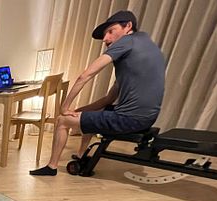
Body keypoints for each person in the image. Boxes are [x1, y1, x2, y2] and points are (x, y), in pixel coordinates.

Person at [29, 10, 165, 176]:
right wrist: (79, 111)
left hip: (129, 119)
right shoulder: (146, 45)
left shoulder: (127, 41)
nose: (105, 39)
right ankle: (81, 154)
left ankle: (51, 167)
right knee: (90, 113)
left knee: (62, 121)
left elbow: (85, 76)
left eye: (111, 31)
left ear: (128, 26)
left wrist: (64, 108)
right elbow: (108, 99)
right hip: (147, 118)